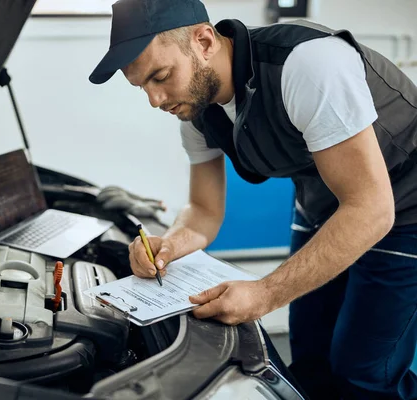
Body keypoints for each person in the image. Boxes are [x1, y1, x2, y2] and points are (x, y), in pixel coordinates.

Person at [88, 0, 417, 399]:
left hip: (404, 205)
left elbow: (371, 209)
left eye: (160, 76)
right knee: (310, 358)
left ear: (205, 41)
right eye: (143, 87)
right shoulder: (197, 111)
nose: (155, 100)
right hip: (323, 201)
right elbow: (204, 212)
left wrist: (264, 293)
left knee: (362, 372)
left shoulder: (307, 65)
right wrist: (171, 243)